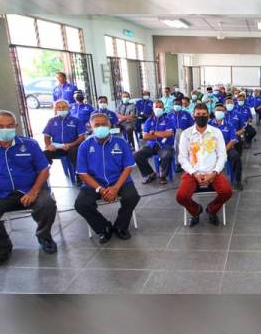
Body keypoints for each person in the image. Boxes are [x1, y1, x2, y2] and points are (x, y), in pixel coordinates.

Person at [0, 110, 57, 266]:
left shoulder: (30, 144)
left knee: (47, 204)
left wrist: (34, 191)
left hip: (30, 190)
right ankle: (3, 248)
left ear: (16, 126)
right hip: (1, 195)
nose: (5, 129)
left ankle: (44, 237)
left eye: (9, 126)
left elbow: (44, 170)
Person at [75, 113, 140, 243]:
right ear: (91, 126)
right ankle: (103, 227)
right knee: (81, 204)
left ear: (110, 125)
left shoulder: (121, 142)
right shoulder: (85, 146)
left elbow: (128, 167)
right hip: (94, 183)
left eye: (104, 124)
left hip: (119, 181)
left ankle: (121, 226)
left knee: (132, 197)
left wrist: (115, 188)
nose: (101, 127)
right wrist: (100, 189)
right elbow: (82, 173)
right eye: (97, 125)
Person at [176, 103, 233, 226]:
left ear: (208, 116)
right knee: (181, 196)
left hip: (212, 172)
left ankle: (211, 209)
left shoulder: (216, 132)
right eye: (198, 114)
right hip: (192, 173)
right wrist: (194, 173)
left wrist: (214, 173)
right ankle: (196, 210)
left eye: (204, 114)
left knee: (227, 192)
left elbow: (222, 155)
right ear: (193, 116)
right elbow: (182, 157)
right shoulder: (186, 134)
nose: (201, 117)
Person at [134, 100, 176, 184]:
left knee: (166, 155)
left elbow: (168, 133)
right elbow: (145, 136)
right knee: (137, 155)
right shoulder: (148, 121)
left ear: (163, 108)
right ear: (153, 108)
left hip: (165, 145)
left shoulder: (168, 120)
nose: (158, 109)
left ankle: (163, 176)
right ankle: (151, 173)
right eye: (156, 107)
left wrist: (154, 133)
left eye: (160, 107)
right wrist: (161, 134)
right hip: (151, 145)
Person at [42, 100, 86, 168]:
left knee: (75, 154)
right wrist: (48, 145)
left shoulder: (76, 120)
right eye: (59, 107)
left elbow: (82, 137)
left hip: (73, 147)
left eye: (64, 107)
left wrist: (71, 145)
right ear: (55, 109)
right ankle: (45, 176)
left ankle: (78, 176)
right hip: (57, 148)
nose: (61, 109)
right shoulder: (52, 121)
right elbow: (46, 136)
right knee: (43, 155)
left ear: (68, 108)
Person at [210, 103, 243, 190]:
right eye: (217, 110)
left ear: (224, 112)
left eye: (221, 110)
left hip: (226, 148)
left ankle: (237, 181)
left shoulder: (229, 125)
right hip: (210, 149)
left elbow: (233, 140)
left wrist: (223, 151)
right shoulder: (208, 124)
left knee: (236, 157)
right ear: (214, 112)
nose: (219, 112)